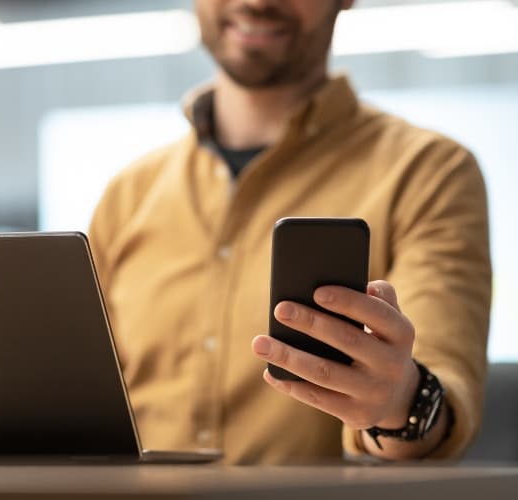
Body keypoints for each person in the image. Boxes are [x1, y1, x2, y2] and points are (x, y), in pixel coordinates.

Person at [88, 0, 491, 464]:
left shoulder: (429, 173)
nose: (256, 3)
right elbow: (75, 397)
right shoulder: (129, 193)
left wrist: (401, 402)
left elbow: (443, 394)